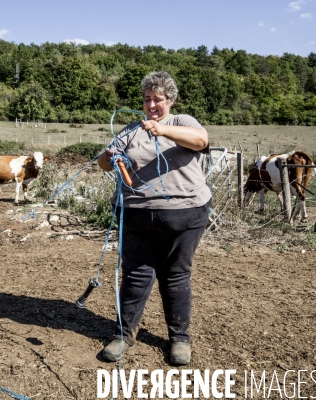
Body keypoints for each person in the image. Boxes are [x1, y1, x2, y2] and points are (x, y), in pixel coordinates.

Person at [97, 71, 211, 365]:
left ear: (170, 101)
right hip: (135, 214)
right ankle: (124, 335)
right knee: (135, 275)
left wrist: (162, 130)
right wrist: (109, 157)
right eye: (147, 99)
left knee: (175, 275)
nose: (151, 105)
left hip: (184, 214)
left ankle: (179, 340)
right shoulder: (130, 130)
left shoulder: (182, 122)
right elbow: (103, 164)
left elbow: (200, 140)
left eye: (157, 100)